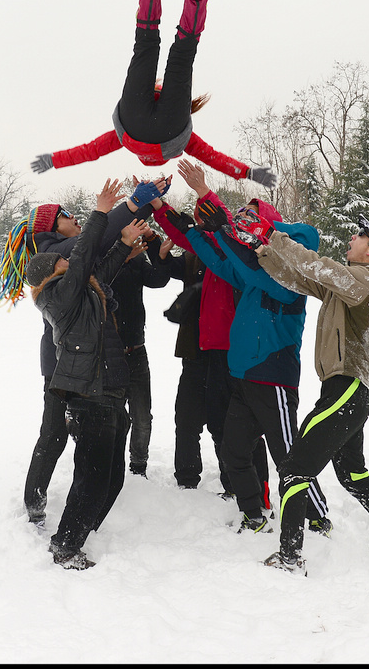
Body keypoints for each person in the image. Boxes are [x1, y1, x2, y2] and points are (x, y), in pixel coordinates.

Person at [236, 210, 369, 574]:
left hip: (346, 389)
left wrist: (274, 235)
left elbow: (320, 266)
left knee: (292, 471)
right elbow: (299, 276)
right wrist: (263, 249)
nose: (352, 239)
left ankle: (289, 558)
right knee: (351, 473)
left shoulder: (364, 281)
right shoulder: (350, 285)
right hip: (351, 393)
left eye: (359, 236)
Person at [0, 176, 170, 527]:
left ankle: (87, 496)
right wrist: (132, 203)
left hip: (84, 363)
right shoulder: (51, 252)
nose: (76, 219)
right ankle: (36, 502)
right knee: (54, 434)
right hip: (62, 366)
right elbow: (89, 246)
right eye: (68, 214)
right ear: (52, 224)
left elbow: (98, 260)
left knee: (91, 434)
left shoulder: (65, 253)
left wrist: (147, 205)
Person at [168, 161, 331, 536]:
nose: (244, 226)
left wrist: (212, 204)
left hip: (273, 377)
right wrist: (190, 230)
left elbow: (247, 250)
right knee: (234, 453)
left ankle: (318, 516)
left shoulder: (291, 279)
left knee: (289, 458)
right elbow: (220, 258)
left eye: (250, 221)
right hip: (242, 374)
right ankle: (254, 513)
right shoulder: (253, 273)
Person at [30, 0, 277, 190]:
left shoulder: (182, 140)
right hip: (133, 123)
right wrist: (52, 160)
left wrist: (249, 173)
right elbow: (88, 151)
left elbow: (214, 158)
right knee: (145, 44)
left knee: (184, 51)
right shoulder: (126, 141)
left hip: (172, 130)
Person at [26, 178, 148, 570]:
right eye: (64, 263)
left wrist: (126, 243)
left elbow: (101, 269)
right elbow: (82, 258)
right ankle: (65, 545)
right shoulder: (58, 296)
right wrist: (101, 211)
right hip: (89, 396)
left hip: (109, 390)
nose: (71, 261)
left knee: (112, 479)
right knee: (92, 478)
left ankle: (82, 528)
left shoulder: (80, 292)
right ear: (52, 273)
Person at [150, 185, 270, 506]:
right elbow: (171, 259)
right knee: (187, 417)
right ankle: (188, 479)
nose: (203, 223)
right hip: (197, 347)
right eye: (200, 218)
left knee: (228, 421)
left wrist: (202, 191)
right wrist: (156, 233)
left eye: (208, 216)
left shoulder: (237, 251)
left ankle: (240, 483)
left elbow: (221, 230)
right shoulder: (197, 253)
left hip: (232, 352)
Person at [109, 223, 173, 478]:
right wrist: (124, 256)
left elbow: (157, 280)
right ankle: (110, 466)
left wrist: (162, 256)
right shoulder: (104, 259)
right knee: (111, 418)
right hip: (108, 353)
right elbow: (99, 280)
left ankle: (138, 467)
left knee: (142, 416)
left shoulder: (136, 261)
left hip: (136, 349)